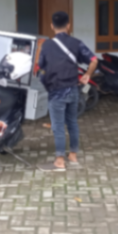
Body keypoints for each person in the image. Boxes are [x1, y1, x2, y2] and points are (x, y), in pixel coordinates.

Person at [37, 11, 98, 171]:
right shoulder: (76, 43)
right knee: (72, 122)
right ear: (68, 25)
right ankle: (73, 156)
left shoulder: (46, 45)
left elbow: (40, 67)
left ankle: (59, 162)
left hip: (56, 91)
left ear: (52, 26)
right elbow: (94, 60)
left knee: (58, 126)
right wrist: (87, 75)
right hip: (73, 89)